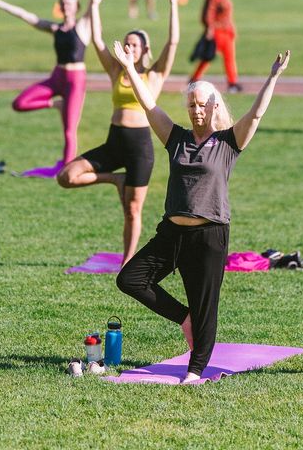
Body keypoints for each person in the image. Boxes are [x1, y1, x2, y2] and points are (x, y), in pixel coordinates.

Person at [114, 46, 290, 383]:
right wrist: (128, 66)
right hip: (171, 233)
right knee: (130, 278)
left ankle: (195, 369)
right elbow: (149, 105)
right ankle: (185, 318)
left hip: (208, 235)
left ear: (215, 107)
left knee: (205, 306)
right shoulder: (175, 138)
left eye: (203, 105)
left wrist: (272, 77)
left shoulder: (228, 141)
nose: (196, 111)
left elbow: (253, 116)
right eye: (192, 105)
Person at [57, 0, 182, 264]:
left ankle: (126, 262)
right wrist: (94, 3)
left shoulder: (155, 74)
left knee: (132, 210)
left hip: (140, 149)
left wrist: (173, 4)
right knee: (66, 177)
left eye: (134, 45)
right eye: (126, 44)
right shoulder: (117, 71)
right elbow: (98, 40)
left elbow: (173, 41)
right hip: (114, 142)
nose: (129, 48)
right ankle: (114, 178)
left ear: (144, 50)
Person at [0, 0, 107, 176]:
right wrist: (0, 3)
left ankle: (66, 172)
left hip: (76, 80)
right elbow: (26, 16)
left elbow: (94, 0)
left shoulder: (83, 26)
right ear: (60, 7)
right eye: (64, 3)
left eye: (70, 3)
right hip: (57, 76)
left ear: (77, 7)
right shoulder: (54, 27)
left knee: (69, 130)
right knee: (19, 103)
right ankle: (56, 104)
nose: (67, 6)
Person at [190, 0, 240, 93]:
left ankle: (232, 82)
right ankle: (194, 79)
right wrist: (209, 28)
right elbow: (209, 13)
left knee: (229, 58)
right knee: (208, 57)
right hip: (217, 31)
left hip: (227, 31)